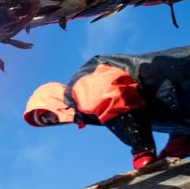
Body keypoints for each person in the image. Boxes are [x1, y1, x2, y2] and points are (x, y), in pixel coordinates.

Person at [23, 46, 190, 169]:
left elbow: (111, 98)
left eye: (46, 114)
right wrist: (170, 154)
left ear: (53, 101)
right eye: (48, 122)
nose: (52, 120)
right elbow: (179, 127)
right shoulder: (97, 114)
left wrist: (142, 150)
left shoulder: (83, 84)